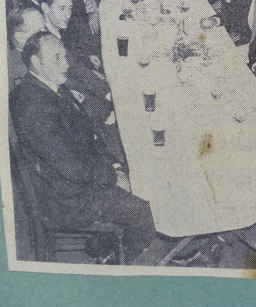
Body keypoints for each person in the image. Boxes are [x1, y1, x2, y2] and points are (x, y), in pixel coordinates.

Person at [11, 32, 155, 263]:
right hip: (68, 198)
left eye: (64, 56)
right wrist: (112, 176)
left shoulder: (48, 84)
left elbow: (87, 132)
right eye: (57, 58)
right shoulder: (33, 107)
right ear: (36, 62)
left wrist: (115, 164)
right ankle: (118, 261)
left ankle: (103, 246)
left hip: (80, 176)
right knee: (145, 212)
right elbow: (72, 169)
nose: (66, 64)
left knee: (144, 165)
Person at [7, 6, 47, 87]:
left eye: (44, 28)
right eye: (38, 31)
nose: (45, 33)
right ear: (18, 36)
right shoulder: (10, 67)